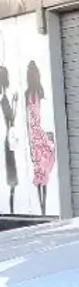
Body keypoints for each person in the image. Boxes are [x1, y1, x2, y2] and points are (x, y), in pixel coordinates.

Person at [25, 60, 54, 214]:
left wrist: (30, 142)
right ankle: (43, 206)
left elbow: (28, 120)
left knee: (39, 171)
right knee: (44, 170)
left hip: (35, 136)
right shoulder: (39, 91)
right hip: (40, 134)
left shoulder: (29, 93)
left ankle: (42, 205)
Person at [1, 66, 17, 214]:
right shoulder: (3, 98)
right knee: (11, 175)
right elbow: (11, 120)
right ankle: (10, 208)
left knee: (11, 175)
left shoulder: (4, 97)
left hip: (8, 138)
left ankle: (11, 208)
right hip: (7, 138)